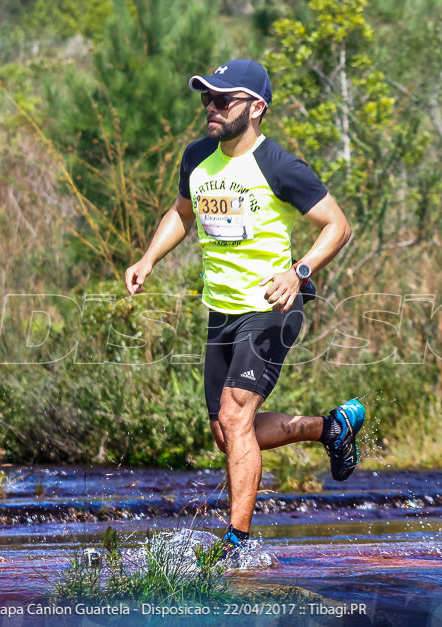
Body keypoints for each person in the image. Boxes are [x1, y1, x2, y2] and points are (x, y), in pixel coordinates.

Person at [124, 58, 364, 557]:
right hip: (222, 311)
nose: (210, 108)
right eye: (206, 99)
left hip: (273, 306)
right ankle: (332, 427)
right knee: (225, 432)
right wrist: (149, 257)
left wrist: (298, 272)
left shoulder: (278, 165)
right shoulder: (197, 157)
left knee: (236, 419)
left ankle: (236, 544)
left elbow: (337, 225)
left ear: (256, 108)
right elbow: (181, 213)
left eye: (222, 100)